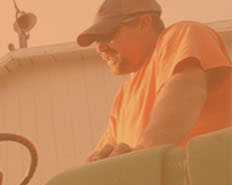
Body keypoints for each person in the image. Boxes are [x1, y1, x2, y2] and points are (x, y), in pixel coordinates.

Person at [78, 0, 230, 162]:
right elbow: (101, 162)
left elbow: (183, 92)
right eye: (97, 41)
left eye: (107, 35)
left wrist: (143, 159)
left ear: (144, 23)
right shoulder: (122, 98)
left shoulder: (182, 34)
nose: (100, 48)